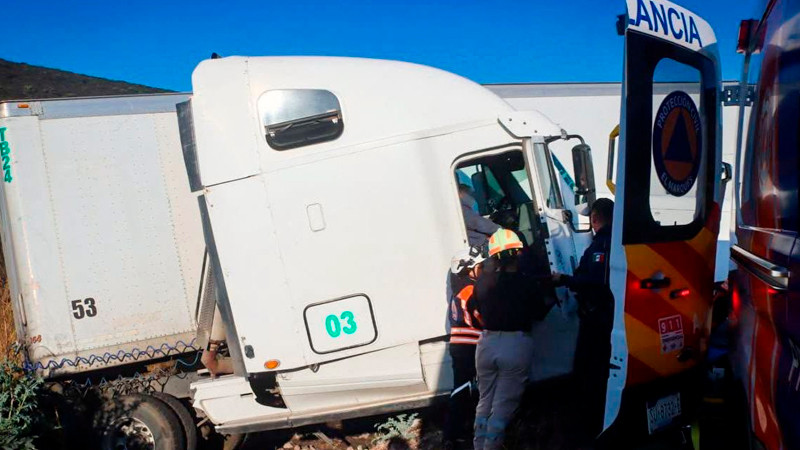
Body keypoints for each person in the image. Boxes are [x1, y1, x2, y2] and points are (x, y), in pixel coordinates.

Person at [472, 228, 545, 450]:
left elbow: (473, 309)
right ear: (518, 253)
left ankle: (479, 445)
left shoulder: (483, 282)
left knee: (484, 402)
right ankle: (491, 447)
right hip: (515, 345)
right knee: (503, 405)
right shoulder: (527, 283)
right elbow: (539, 313)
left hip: (486, 344)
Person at [552, 197, 615, 445]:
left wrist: (564, 280)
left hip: (598, 320)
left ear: (596, 218)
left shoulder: (602, 244)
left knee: (590, 373)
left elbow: (596, 281)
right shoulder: (610, 242)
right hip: (601, 317)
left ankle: (591, 428)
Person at [444, 247, 485, 449]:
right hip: (469, 347)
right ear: (468, 269)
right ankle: (453, 434)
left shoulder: (459, 290)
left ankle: (457, 432)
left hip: (461, 346)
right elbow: (480, 318)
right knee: (462, 391)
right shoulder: (470, 290)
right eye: (479, 266)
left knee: (463, 389)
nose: (483, 269)